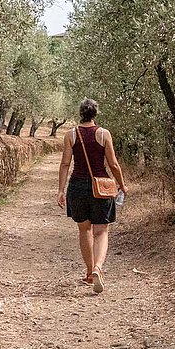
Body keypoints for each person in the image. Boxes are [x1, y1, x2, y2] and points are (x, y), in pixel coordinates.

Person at [57, 99, 128, 293]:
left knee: (84, 230)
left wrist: (61, 190)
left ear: (80, 113)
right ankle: (98, 267)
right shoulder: (104, 134)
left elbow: (65, 164)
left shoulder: (71, 134)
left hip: (77, 187)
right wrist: (121, 184)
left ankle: (89, 272)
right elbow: (113, 164)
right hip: (101, 188)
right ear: (96, 114)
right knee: (101, 231)